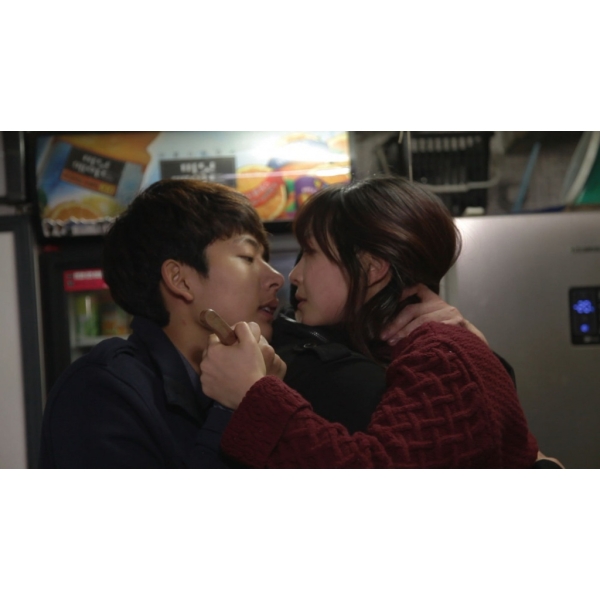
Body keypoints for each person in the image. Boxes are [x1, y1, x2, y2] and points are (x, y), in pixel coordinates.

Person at [200, 175, 543, 468]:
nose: (294, 275)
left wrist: (252, 395)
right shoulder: (397, 349)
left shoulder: (444, 357)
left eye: (312, 253)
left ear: (373, 267)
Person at [38, 178, 285, 468]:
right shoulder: (99, 393)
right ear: (180, 280)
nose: (276, 278)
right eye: (248, 257)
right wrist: (239, 407)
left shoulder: (258, 373)